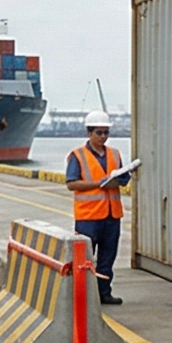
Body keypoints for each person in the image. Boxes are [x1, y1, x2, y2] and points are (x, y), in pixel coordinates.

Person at [64, 110, 129, 307]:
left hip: (111, 215)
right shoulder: (77, 156)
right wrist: (99, 184)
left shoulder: (115, 154)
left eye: (105, 133)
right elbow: (72, 183)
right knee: (85, 259)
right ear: (89, 133)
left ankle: (104, 293)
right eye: (99, 133)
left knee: (107, 257)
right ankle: (83, 295)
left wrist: (119, 180)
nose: (103, 137)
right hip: (88, 217)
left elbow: (124, 179)